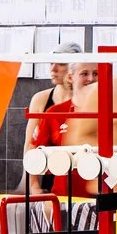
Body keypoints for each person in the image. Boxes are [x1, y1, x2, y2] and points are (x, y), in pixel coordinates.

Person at [23, 52, 76, 194]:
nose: (53, 69)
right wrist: (33, 186)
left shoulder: (93, 103)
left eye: (61, 63)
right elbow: (31, 146)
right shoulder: (46, 104)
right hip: (55, 179)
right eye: (51, 63)